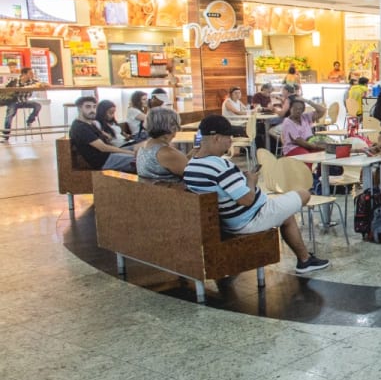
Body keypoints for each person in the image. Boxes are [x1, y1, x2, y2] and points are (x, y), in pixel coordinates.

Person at [184, 115, 328, 273]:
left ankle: (305, 259)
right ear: (216, 138)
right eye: (228, 137)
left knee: (286, 214)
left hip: (230, 220)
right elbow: (248, 200)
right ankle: (305, 260)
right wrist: (251, 181)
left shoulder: (191, 165)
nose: (230, 142)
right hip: (250, 218)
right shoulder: (219, 165)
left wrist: (241, 179)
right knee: (304, 194)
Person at [68, 96, 135, 172]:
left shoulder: (89, 123)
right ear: (79, 108)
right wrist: (130, 153)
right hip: (104, 161)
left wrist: (103, 133)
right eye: (88, 107)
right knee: (140, 160)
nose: (92, 110)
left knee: (139, 149)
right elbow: (103, 148)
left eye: (94, 107)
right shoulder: (80, 128)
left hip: (109, 154)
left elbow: (106, 138)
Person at [135, 107, 188, 184]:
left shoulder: (143, 146)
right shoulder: (167, 154)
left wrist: (195, 151)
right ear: (171, 127)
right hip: (175, 191)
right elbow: (195, 174)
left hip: (151, 190)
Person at [2, 67, 42, 141]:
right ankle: (6, 135)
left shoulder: (33, 82)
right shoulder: (14, 81)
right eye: (30, 73)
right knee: (9, 116)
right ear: (24, 74)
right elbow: (4, 89)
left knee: (38, 106)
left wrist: (44, 85)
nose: (32, 75)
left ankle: (29, 121)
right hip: (14, 101)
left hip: (25, 101)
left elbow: (43, 84)